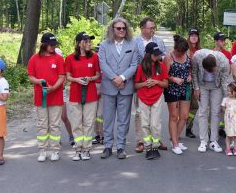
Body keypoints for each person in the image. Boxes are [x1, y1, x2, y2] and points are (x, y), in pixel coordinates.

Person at [99, 18, 138, 160]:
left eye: (124, 28)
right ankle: (108, 146)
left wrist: (122, 78)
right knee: (108, 119)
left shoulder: (132, 45)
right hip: (109, 86)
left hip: (125, 86)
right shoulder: (104, 45)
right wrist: (115, 79)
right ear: (112, 29)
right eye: (118, 28)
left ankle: (120, 146)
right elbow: (102, 64)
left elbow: (134, 65)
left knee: (123, 119)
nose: (122, 30)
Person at [28, 33, 66, 162]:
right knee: (42, 124)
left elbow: (62, 76)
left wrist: (54, 87)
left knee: (55, 125)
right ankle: (42, 150)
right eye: (51, 45)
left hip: (56, 97)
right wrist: (38, 81)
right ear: (43, 44)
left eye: (55, 45)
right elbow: (30, 77)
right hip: (41, 98)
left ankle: (55, 150)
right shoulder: (34, 59)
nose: (53, 47)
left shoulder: (59, 58)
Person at [133, 17, 167, 153]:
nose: (153, 30)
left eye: (154, 27)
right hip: (141, 80)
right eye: (150, 27)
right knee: (140, 115)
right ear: (142, 28)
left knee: (155, 119)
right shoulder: (134, 42)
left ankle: (156, 140)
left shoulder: (158, 40)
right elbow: (132, 61)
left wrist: (159, 78)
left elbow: (163, 57)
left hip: (156, 82)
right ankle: (141, 141)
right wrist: (143, 78)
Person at [65, 32, 101, 161]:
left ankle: (87, 149)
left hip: (91, 94)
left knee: (89, 122)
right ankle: (78, 148)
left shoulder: (94, 57)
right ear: (79, 43)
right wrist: (76, 79)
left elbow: (98, 75)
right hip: (75, 94)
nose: (89, 44)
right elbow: (67, 76)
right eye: (86, 41)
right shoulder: (70, 58)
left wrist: (89, 78)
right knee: (76, 123)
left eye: (90, 42)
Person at [191, 49, 232, 153]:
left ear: (216, 65)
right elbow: (194, 72)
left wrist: (227, 98)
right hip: (203, 85)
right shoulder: (197, 56)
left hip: (217, 86)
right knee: (203, 111)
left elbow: (225, 81)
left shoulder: (224, 61)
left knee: (216, 112)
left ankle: (214, 140)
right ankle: (203, 141)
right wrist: (196, 88)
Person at [164, 35, 191, 154]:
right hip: (172, 88)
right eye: (179, 52)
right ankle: (175, 144)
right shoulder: (168, 57)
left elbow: (189, 68)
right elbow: (164, 75)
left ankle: (175, 138)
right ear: (175, 48)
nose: (180, 55)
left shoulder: (187, 55)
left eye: (182, 53)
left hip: (185, 87)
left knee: (184, 116)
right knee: (174, 117)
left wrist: (190, 75)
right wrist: (174, 79)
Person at [185, 28, 201, 139]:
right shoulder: (185, 49)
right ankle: (176, 130)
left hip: (197, 82)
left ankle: (188, 128)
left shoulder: (200, 50)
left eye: (196, 35)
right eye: (192, 35)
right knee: (182, 107)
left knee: (194, 107)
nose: (194, 37)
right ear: (189, 37)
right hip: (185, 83)